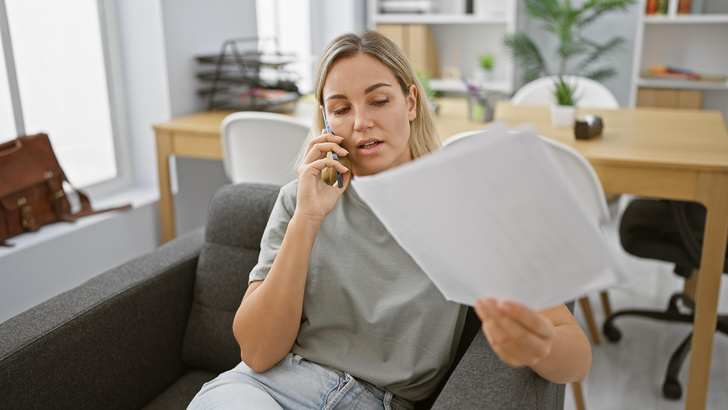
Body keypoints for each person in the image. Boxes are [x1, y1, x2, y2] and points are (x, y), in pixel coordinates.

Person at [188, 30, 591, 410]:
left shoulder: (467, 206)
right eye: (341, 108)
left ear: (411, 102)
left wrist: (538, 347)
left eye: (379, 101)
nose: (361, 122)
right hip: (266, 389)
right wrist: (308, 219)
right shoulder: (299, 202)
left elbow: (576, 356)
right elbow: (257, 352)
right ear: (327, 122)